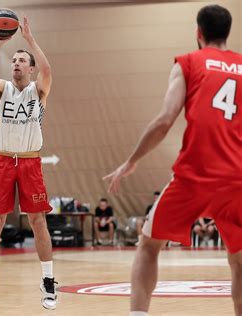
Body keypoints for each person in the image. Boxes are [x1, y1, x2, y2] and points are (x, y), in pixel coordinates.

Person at [103, 5, 242, 315]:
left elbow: (165, 120)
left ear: (198, 33)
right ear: (227, 32)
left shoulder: (189, 62)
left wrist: (131, 161)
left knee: (149, 245)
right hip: (237, 180)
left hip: (196, 176)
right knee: (239, 261)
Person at [0, 16, 56, 310]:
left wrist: (30, 40)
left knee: (38, 221)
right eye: (15, 61)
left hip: (29, 163)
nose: (17, 64)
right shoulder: (1, 89)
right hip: (2, 162)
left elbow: (48, 70)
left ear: (31, 68)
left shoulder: (40, 90)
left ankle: (48, 280)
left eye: (22, 60)